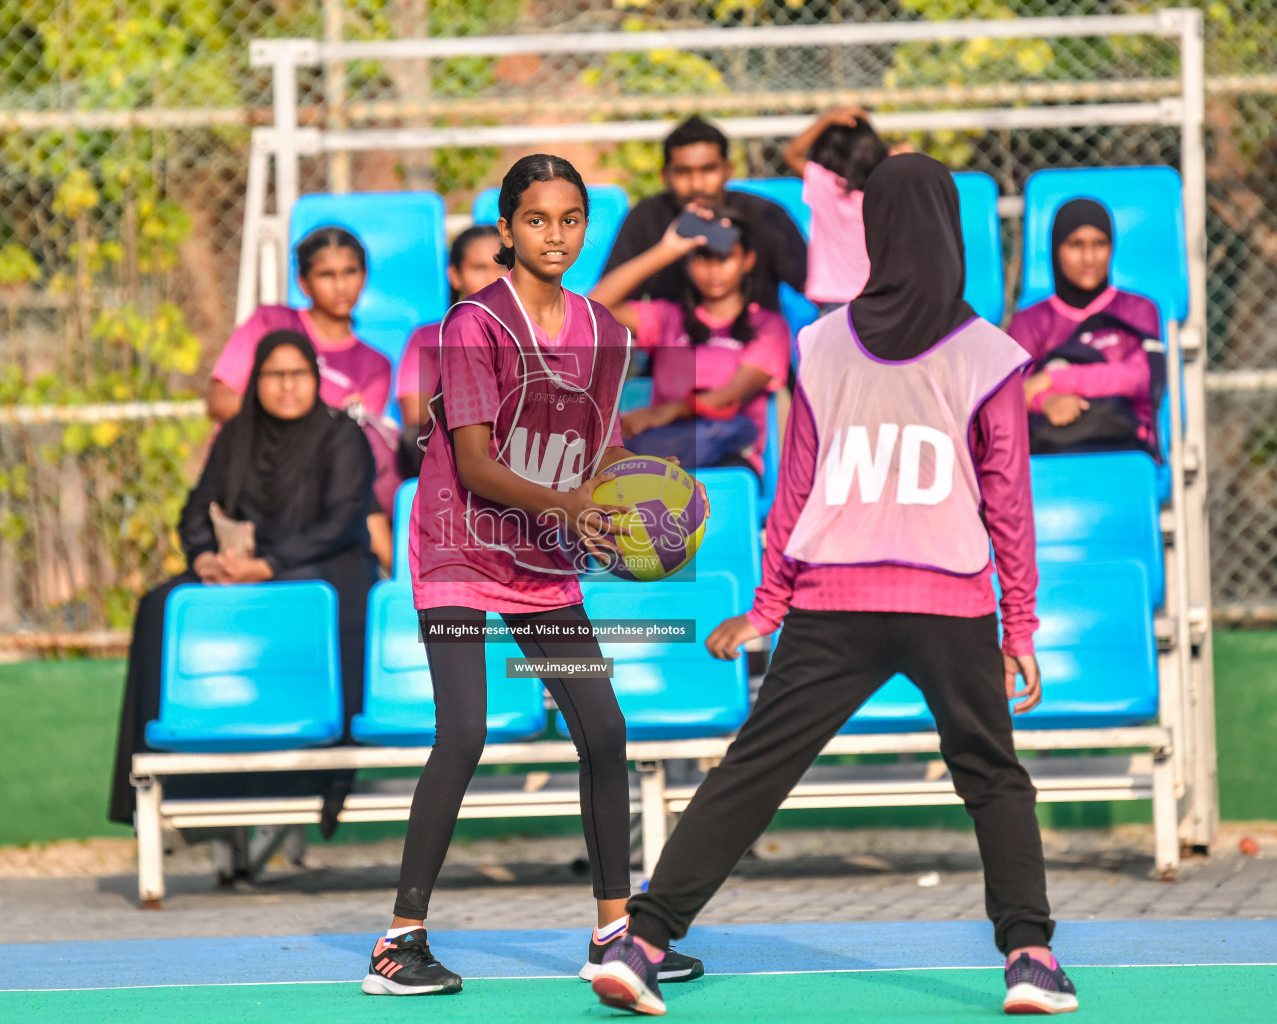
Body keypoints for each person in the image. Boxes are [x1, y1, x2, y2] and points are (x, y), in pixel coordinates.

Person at [590, 155, 1079, 1018]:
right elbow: (1008, 501)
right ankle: (1030, 962)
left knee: (755, 768)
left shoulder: (820, 345)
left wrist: (770, 608)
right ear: (950, 233)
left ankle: (642, 942)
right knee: (993, 775)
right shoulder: (992, 354)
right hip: (949, 600)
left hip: (832, 601)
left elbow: (796, 488)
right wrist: (1021, 628)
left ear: (876, 233)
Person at [364, 154, 705, 997]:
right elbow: (476, 466)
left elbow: (599, 446)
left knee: (605, 728)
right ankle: (397, 942)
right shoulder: (474, 326)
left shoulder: (606, 332)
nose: (556, 234)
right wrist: (575, 508)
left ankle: (614, 934)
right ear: (507, 231)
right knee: (465, 732)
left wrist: (637, 501)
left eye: (571, 218)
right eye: (537, 219)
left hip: (541, 561)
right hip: (458, 548)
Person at [110, 331, 379, 837]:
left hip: (321, 562)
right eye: (274, 376)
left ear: (315, 378)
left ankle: (330, 773)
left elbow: (341, 521)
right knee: (157, 606)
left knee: (336, 605)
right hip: (240, 567)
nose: (287, 387)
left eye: (297, 375)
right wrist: (206, 557)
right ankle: (160, 784)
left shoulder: (341, 435)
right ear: (256, 381)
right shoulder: (237, 435)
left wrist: (269, 566)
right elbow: (196, 510)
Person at [207, 227, 398, 569]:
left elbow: (352, 439)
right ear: (304, 282)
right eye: (326, 274)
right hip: (257, 464)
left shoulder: (375, 365)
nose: (340, 285)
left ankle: (397, 590)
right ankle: (400, 582)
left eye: (350, 272)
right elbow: (220, 400)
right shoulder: (271, 323)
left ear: (364, 276)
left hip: (321, 478)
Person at [589, 205, 789, 476]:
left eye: (725, 257)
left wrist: (664, 412)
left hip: (727, 460)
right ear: (688, 263)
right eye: (703, 258)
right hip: (664, 452)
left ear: (748, 260)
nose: (714, 269)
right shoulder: (668, 319)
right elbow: (592, 308)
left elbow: (728, 396)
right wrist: (665, 251)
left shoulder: (768, 326)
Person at [602, 115, 806, 314]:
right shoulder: (647, 217)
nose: (697, 185)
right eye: (683, 172)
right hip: (676, 344)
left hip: (754, 343)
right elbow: (599, 308)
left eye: (708, 170)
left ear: (728, 170)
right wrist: (663, 253)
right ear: (665, 176)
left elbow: (813, 287)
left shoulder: (765, 215)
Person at [1007, 198, 1164, 457]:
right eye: (1076, 245)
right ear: (1057, 249)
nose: (1089, 258)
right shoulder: (1029, 322)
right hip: (1049, 449)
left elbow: (1137, 379)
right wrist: (1045, 402)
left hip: (1126, 449)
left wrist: (1051, 380)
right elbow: (1013, 394)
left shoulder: (1139, 310)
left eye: (1099, 244)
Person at [396, 224, 504, 478]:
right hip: (450, 445)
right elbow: (417, 418)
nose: (493, 278)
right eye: (479, 268)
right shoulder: (428, 338)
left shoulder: (533, 334)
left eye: (501, 265)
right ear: (455, 275)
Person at [783, 106, 906, 311]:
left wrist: (826, 119)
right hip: (880, 294)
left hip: (834, 296)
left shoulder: (824, 184)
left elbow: (791, 152)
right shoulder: (885, 189)